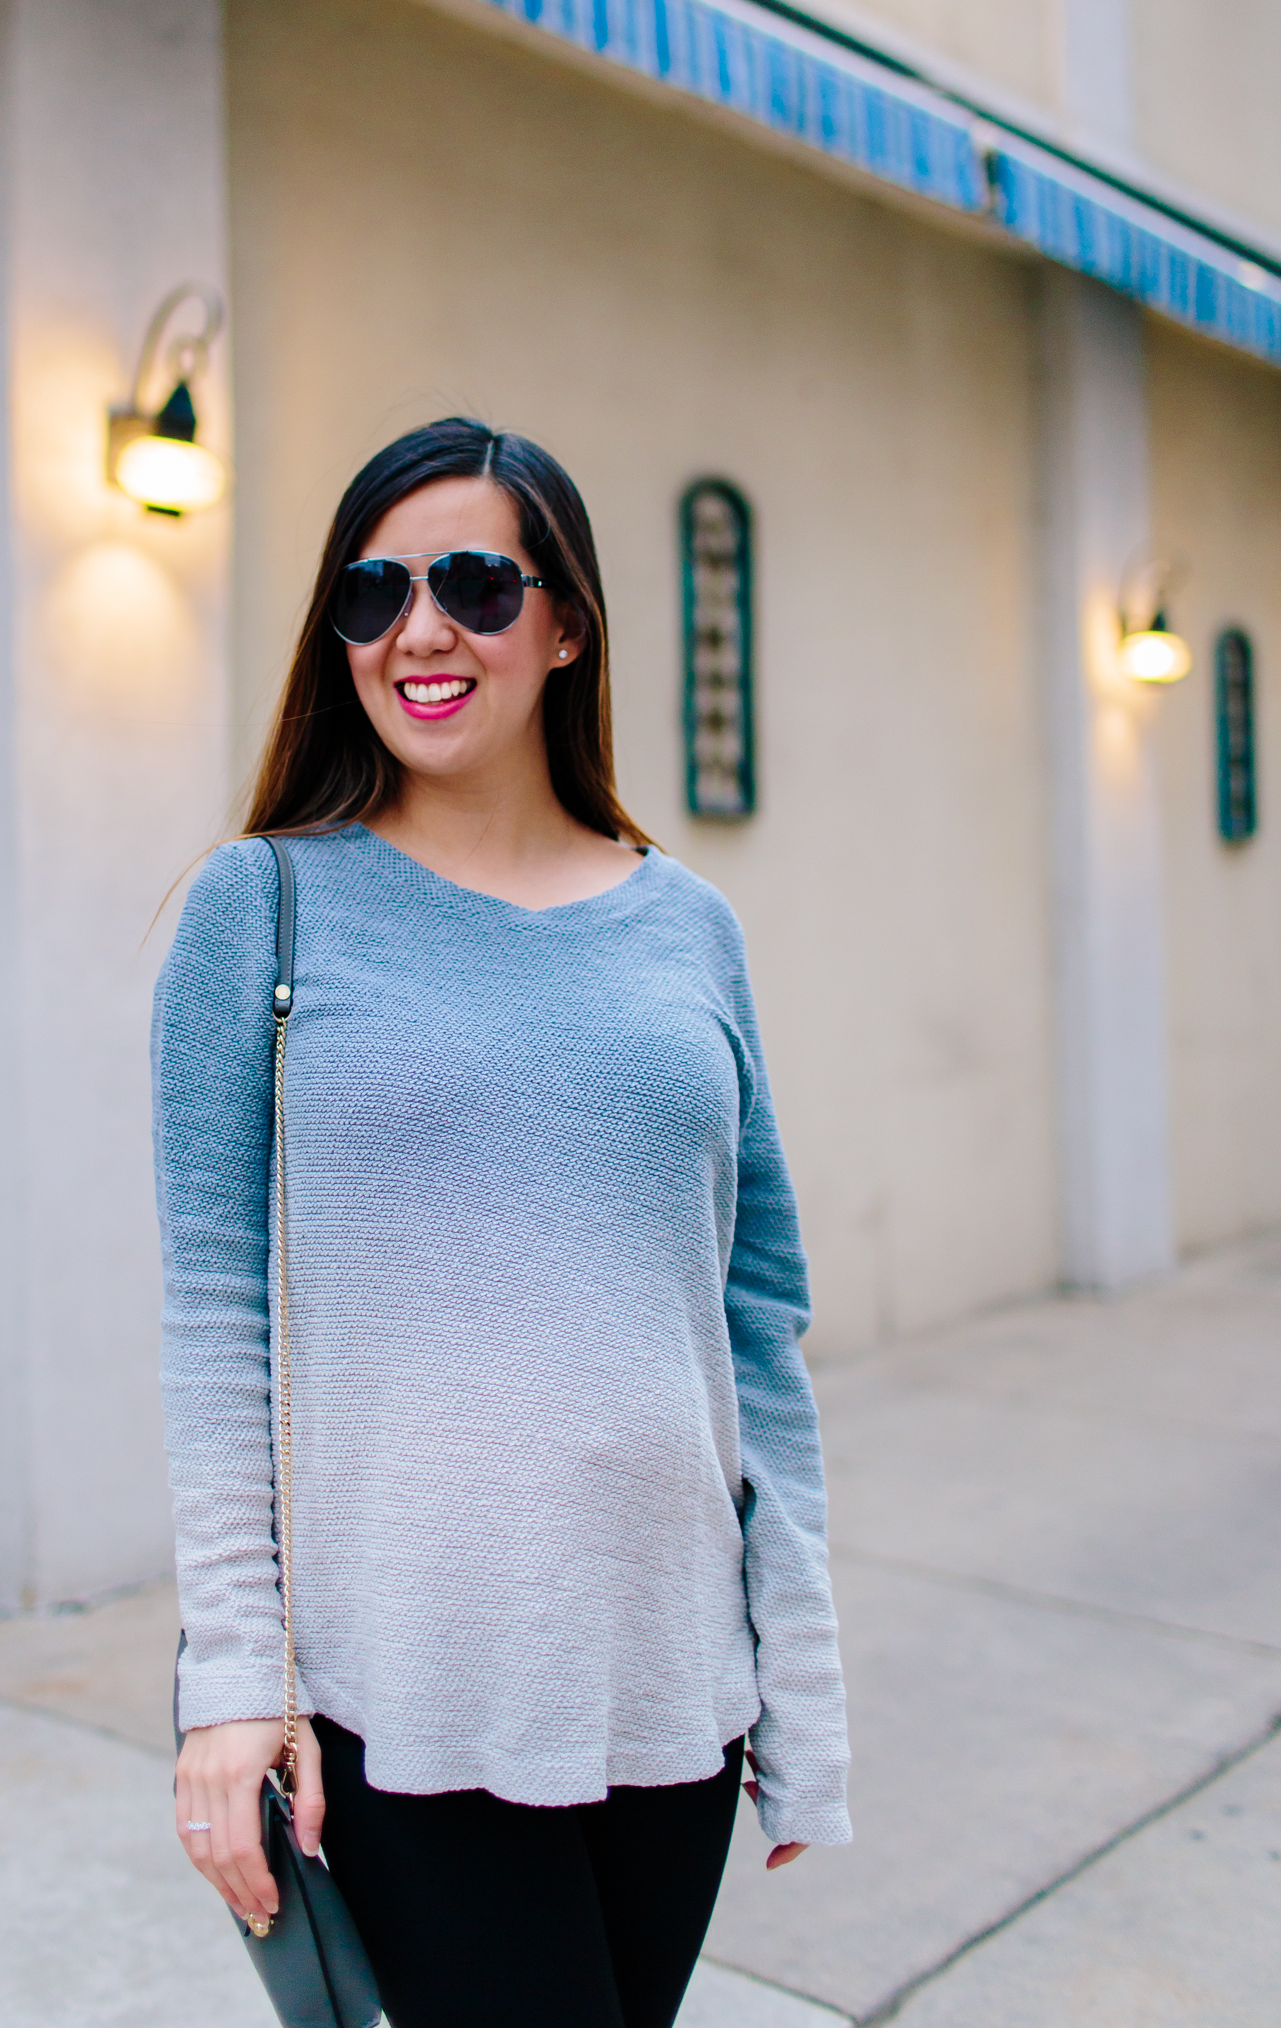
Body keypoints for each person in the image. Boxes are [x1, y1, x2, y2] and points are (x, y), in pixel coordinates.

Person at [155, 420, 850, 2028]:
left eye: (472, 581)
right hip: (409, 1702)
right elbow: (214, 1319)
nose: (421, 630)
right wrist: (231, 1689)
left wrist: (796, 1676)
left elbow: (754, 1325)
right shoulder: (260, 908)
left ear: (567, 621)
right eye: (374, 590)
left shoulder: (690, 925)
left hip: (670, 1691)